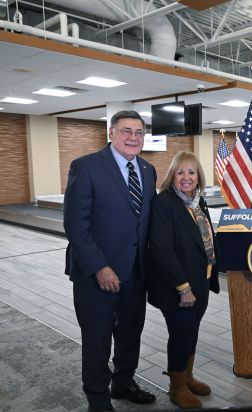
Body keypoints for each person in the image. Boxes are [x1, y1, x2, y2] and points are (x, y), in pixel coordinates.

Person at [64, 110, 157, 411]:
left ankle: (123, 383)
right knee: (97, 340)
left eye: (139, 132)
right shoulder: (86, 167)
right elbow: (76, 225)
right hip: (95, 275)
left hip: (135, 273)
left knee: (130, 334)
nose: (133, 137)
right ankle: (98, 399)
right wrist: (100, 267)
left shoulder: (147, 169)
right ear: (111, 133)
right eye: (126, 131)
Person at [146, 151, 220, 409]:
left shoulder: (198, 202)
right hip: (179, 287)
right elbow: (161, 248)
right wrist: (183, 288)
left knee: (192, 332)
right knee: (180, 335)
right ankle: (176, 387)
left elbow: (205, 241)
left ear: (198, 176)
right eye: (180, 172)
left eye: (191, 172)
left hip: (202, 282)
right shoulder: (164, 203)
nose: (186, 177)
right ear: (172, 176)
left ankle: (187, 377)